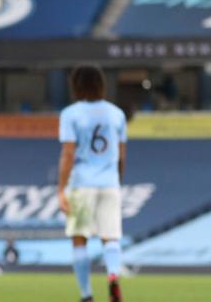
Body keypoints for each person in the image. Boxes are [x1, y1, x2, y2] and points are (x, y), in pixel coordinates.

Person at [57, 65, 127, 302]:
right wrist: (116, 181)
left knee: (79, 239)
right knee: (111, 238)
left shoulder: (70, 114)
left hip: (82, 184)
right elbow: (121, 155)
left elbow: (68, 154)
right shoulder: (117, 114)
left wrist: (61, 189)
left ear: (76, 86)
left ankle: (86, 295)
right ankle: (113, 275)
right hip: (110, 184)